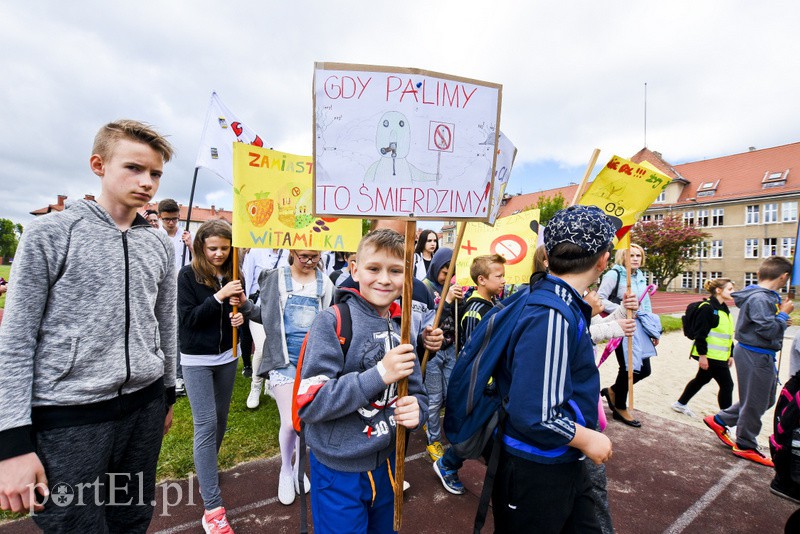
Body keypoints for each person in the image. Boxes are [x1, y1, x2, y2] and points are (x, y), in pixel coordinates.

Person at [0, 120, 176, 531]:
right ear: (99, 164)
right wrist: (11, 443)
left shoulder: (157, 243)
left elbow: (165, 324)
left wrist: (168, 392)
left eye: (155, 174)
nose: (146, 182)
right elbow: (16, 340)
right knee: (75, 525)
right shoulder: (49, 234)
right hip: (69, 416)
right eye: (134, 168)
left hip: (144, 409)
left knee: (131, 519)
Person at [295, 229, 429, 533]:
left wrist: (417, 411)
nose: (384, 279)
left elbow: (418, 393)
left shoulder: (402, 327)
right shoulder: (331, 321)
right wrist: (379, 374)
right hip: (338, 469)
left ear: (407, 275)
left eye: (395, 270)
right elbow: (311, 401)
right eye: (373, 268)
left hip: (389, 464)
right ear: (354, 269)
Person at [492, 205, 614, 532]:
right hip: (537, 466)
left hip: (555, 459)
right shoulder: (552, 314)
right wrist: (588, 438)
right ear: (602, 259)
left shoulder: (559, 301)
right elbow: (534, 413)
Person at [239, 249, 334, 505]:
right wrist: (245, 305)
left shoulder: (326, 283)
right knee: (290, 422)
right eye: (304, 256)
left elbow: (328, 323)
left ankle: (300, 467)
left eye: (314, 257)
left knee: (305, 422)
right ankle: (286, 469)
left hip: (312, 364)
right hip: (283, 360)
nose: (309, 262)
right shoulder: (276, 278)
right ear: (292, 252)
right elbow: (265, 317)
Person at [177, 220, 244, 533]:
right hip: (196, 360)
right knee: (205, 424)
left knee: (220, 420)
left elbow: (235, 316)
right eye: (213, 248)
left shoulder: (232, 275)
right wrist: (218, 298)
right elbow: (189, 320)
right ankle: (213, 508)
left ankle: (206, 472)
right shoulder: (188, 275)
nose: (219, 253)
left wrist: (239, 316)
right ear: (201, 247)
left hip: (227, 356)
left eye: (224, 248)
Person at [704, 256, 794, 467]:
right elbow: (768, 330)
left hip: (759, 354)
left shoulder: (764, 296)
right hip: (756, 354)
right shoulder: (760, 299)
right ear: (784, 276)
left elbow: (766, 326)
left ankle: (721, 420)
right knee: (755, 402)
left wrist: (780, 318)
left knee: (766, 399)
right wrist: (782, 317)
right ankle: (745, 444)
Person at [432, 253, 506, 495]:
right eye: (499, 276)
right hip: (481, 386)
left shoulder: (494, 305)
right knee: (473, 432)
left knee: (490, 431)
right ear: (482, 280)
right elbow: (476, 353)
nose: (504, 280)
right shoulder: (475, 310)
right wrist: (489, 383)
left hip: (490, 385)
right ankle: (447, 464)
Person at [598, 243, 661, 428]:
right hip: (621, 324)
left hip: (639, 326)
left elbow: (646, 304)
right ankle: (619, 407)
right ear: (623, 258)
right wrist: (622, 309)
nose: (635, 259)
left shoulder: (641, 276)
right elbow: (600, 298)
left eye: (638, 256)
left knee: (644, 369)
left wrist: (653, 330)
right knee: (629, 367)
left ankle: (613, 391)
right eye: (631, 255)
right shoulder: (614, 274)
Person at [421, 248, 463, 463]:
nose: (447, 277)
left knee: (449, 394)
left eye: (451, 272)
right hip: (433, 351)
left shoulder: (453, 287)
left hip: (450, 347)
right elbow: (430, 322)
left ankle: (432, 423)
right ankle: (433, 440)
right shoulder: (425, 288)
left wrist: (459, 300)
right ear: (436, 266)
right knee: (435, 398)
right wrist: (446, 301)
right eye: (444, 272)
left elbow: (457, 317)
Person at [673, 278, 735, 416]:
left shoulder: (724, 308)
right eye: (730, 289)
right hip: (710, 355)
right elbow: (701, 334)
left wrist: (731, 353)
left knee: (702, 379)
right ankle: (726, 420)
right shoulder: (708, 308)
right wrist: (703, 356)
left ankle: (680, 404)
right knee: (727, 385)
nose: (733, 292)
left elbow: (727, 334)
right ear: (718, 290)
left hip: (719, 355)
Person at [241, 248, 290, 408]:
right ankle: (255, 386)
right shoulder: (255, 252)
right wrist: (244, 307)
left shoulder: (290, 252)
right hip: (259, 309)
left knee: (277, 348)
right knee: (261, 348)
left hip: (282, 311)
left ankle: (271, 384)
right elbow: (247, 279)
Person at [158, 198, 193, 271]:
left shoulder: (189, 235)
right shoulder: (155, 236)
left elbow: (201, 259)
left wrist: (190, 246)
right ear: (160, 217)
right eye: (167, 219)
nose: (171, 223)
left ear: (179, 216)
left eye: (174, 219)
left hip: (183, 278)